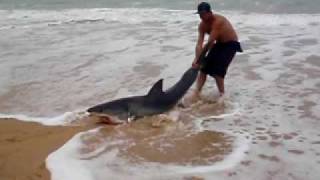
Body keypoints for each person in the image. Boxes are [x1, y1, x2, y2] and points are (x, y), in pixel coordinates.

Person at [191, 2, 243, 101]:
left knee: (218, 72)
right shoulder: (202, 26)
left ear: (210, 12)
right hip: (219, 44)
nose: (201, 16)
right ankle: (196, 93)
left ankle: (222, 96)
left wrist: (199, 61)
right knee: (203, 69)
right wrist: (197, 60)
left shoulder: (218, 21)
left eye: (203, 14)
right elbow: (199, 44)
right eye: (200, 14)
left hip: (230, 44)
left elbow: (210, 42)